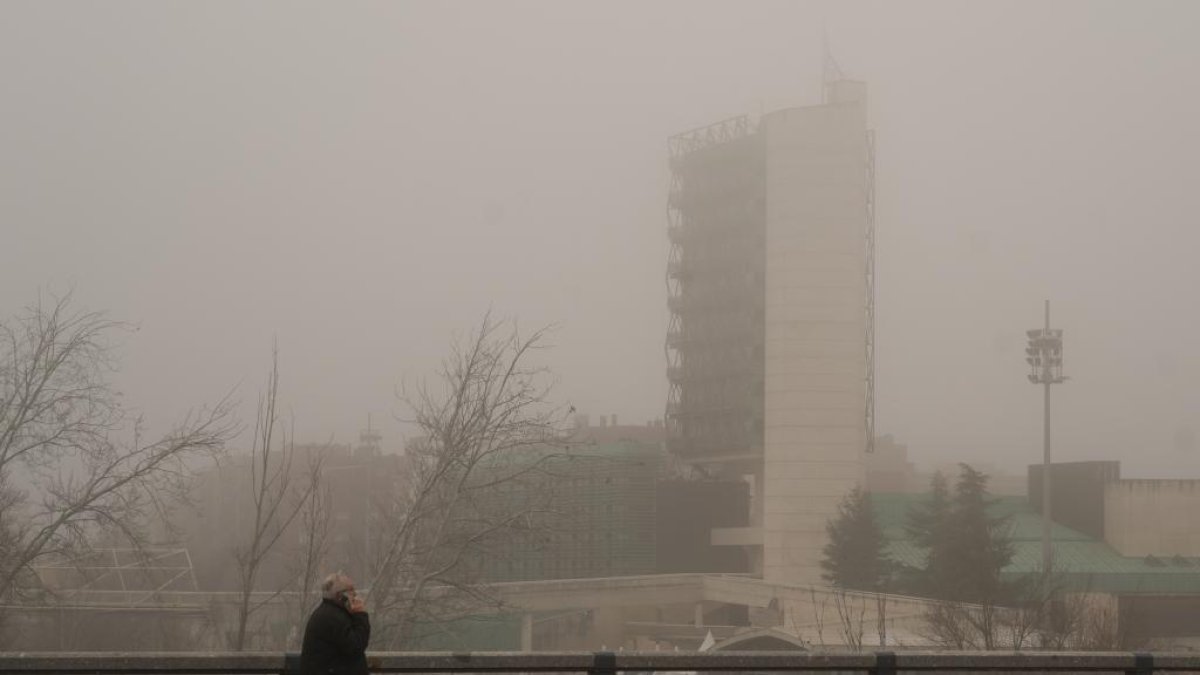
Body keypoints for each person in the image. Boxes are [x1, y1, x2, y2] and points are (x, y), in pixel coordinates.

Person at [300, 573, 371, 675]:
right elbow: (356, 646)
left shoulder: (328, 613)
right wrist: (361, 615)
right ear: (340, 596)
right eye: (350, 590)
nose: (355, 594)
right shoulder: (334, 618)